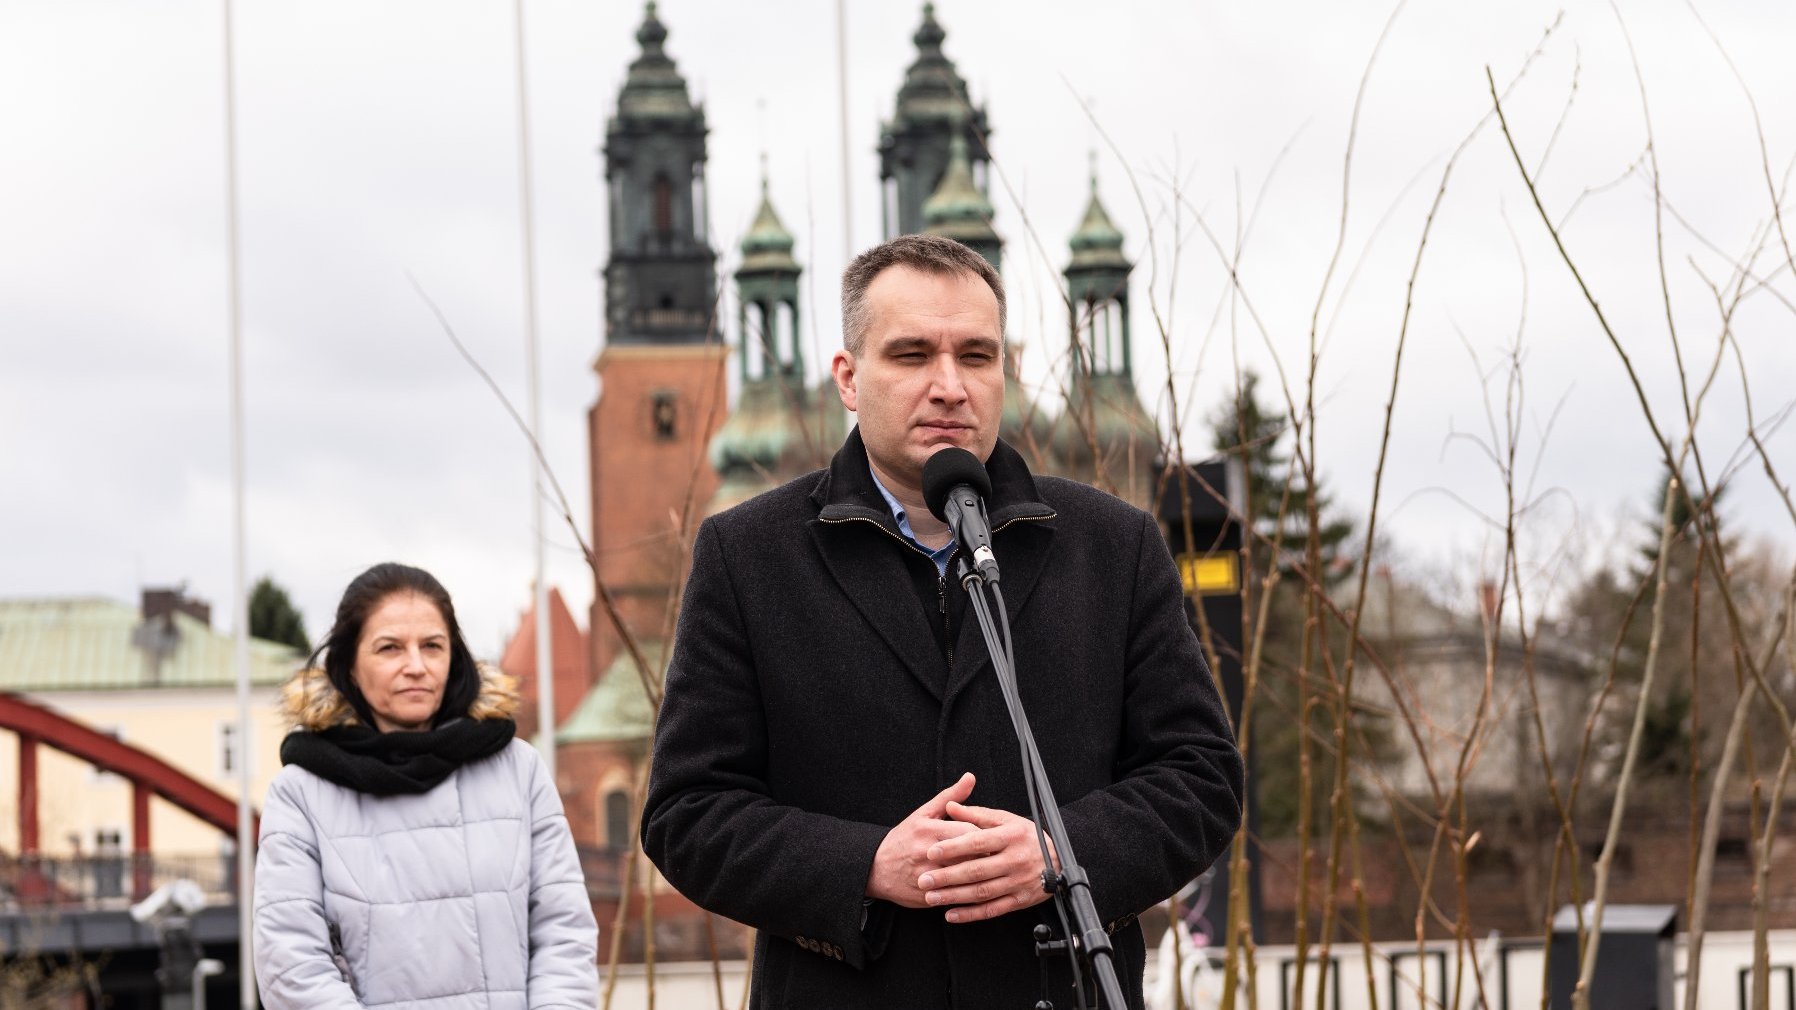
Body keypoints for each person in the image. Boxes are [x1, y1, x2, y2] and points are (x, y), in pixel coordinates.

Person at [642, 234, 1244, 1009]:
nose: (950, 386)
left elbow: (1201, 779)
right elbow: (687, 812)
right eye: (913, 354)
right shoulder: (748, 555)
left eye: (977, 356)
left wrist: (1060, 853)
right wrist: (865, 864)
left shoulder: (1112, 545)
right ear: (849, 379)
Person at [254, 563, 598, 1010]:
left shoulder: (519, 770)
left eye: (432, 646)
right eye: (390, 648)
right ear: (350, 666)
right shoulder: (300, 793)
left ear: (453, 657)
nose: (415, 666)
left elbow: (563, 932)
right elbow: (290, 963)